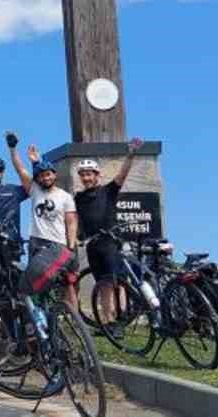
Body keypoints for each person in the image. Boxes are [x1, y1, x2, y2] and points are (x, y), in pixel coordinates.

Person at [74, 138, 143, 328]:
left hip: (110, 243)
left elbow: (122, 174)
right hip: (93, 246)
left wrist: (131, 153)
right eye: (83, 175)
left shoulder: (108, 191)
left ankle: (121, 319)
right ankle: (108, 322)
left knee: (117, 282)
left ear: (97, 175)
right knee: (102, 284)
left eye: (89, 174)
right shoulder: (78, 198)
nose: (86, 178)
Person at [9, 132, 80, 307]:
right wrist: (13, 149)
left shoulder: (65, 197)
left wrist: (71, 245)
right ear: (38, 178)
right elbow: (20, 169)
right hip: (37, 243)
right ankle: (45, 323)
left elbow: (71, 221)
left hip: (59, 244)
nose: (45, 178)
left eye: (48, 174)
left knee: (68, 285)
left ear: (54, 175)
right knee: (39, 286)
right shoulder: (34, 190)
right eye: (41, 176)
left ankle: (76, 323)